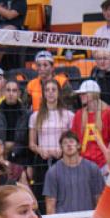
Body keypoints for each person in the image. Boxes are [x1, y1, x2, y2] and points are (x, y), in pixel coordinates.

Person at [28, 78, 74, 206]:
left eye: (53, 89)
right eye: (47, 90)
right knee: (43, 195)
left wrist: (63, 150)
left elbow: (74, 140)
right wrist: (40, 150)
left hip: (63, 159)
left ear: (59, 92)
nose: (50, 93)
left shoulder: (69, 115)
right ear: (43, 93)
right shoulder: (35, 116)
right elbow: (31, 143)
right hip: (42, 160)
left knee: (63, 193)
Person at [71, 79, 110, 169]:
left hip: (105, 164)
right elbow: (75, 141)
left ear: (93, 94)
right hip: (83, 164)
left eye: (84, 93)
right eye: (81, 94)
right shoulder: (79, 114)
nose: (81, 96)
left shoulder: (109, 113)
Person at [0, 78, 30, 157]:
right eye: (8, 90)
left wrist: (14, 148)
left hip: (20, 156)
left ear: (19, 93)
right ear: (3, 92)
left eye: (14, 91)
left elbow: (27, 140)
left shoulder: (27, 114)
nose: (11, 93)